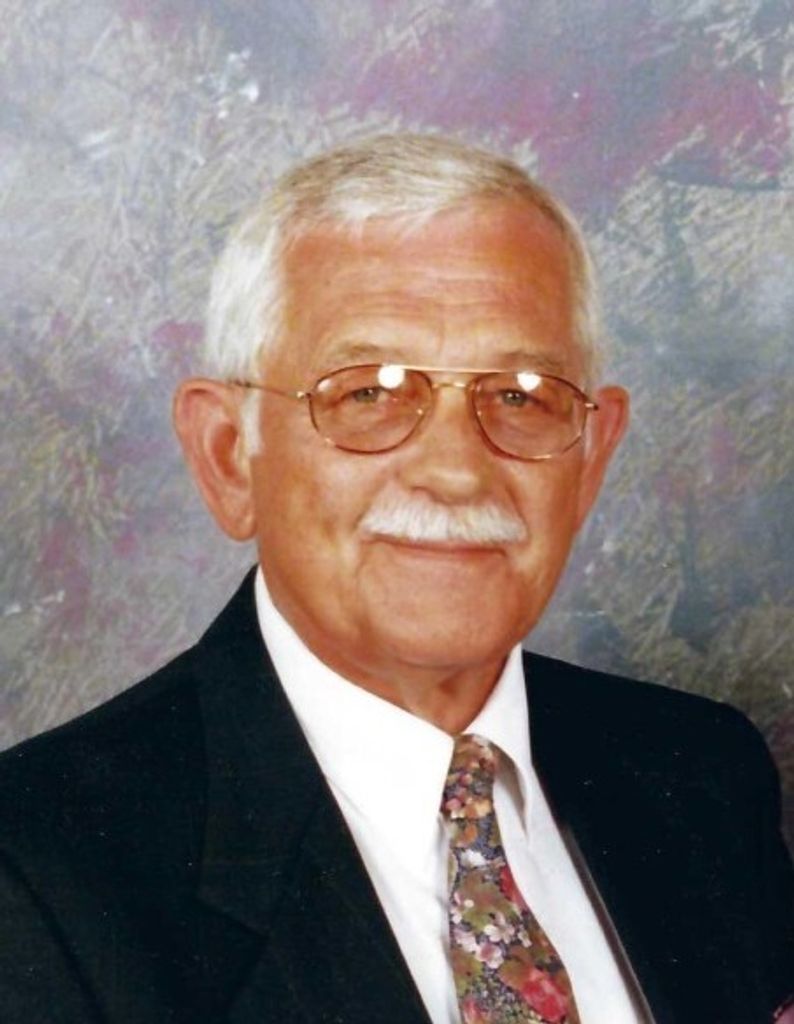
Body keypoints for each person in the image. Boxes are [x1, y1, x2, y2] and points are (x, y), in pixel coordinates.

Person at [0, 134, 791, 1024]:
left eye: (521, 394)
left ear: (591, 458)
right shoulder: (36, 873)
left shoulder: (700, 773)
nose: (455, 471)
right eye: (367, 393)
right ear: (227, 455)